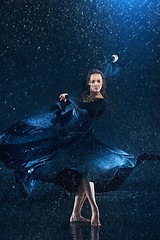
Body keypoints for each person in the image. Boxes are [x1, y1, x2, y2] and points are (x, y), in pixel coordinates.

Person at [0, 55, 159, 227]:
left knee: (87, 172)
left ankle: (92, 212)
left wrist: (69, 98)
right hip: (66, 127)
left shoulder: (100, 102)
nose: (97, 84)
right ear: (89, 83)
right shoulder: (88, 92)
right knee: (34, 130)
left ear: (102, 84)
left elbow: (84, 106)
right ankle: (77, 214)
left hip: (80, 138)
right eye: (93, 81)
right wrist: (110, 61)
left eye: (99, 82)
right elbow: (98, 74)